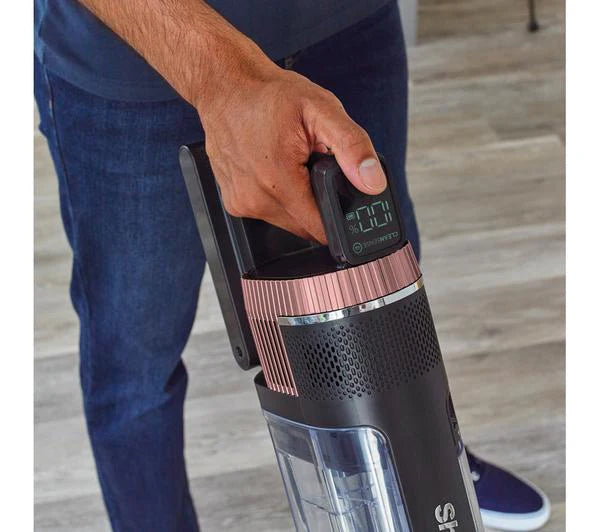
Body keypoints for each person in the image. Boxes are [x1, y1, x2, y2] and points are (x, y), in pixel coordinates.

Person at [34, 1, 551, 530]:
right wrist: (224, 79)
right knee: (135, 359)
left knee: (386, 293)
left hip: (345, 22)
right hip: (134, 63)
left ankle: (433, 467)